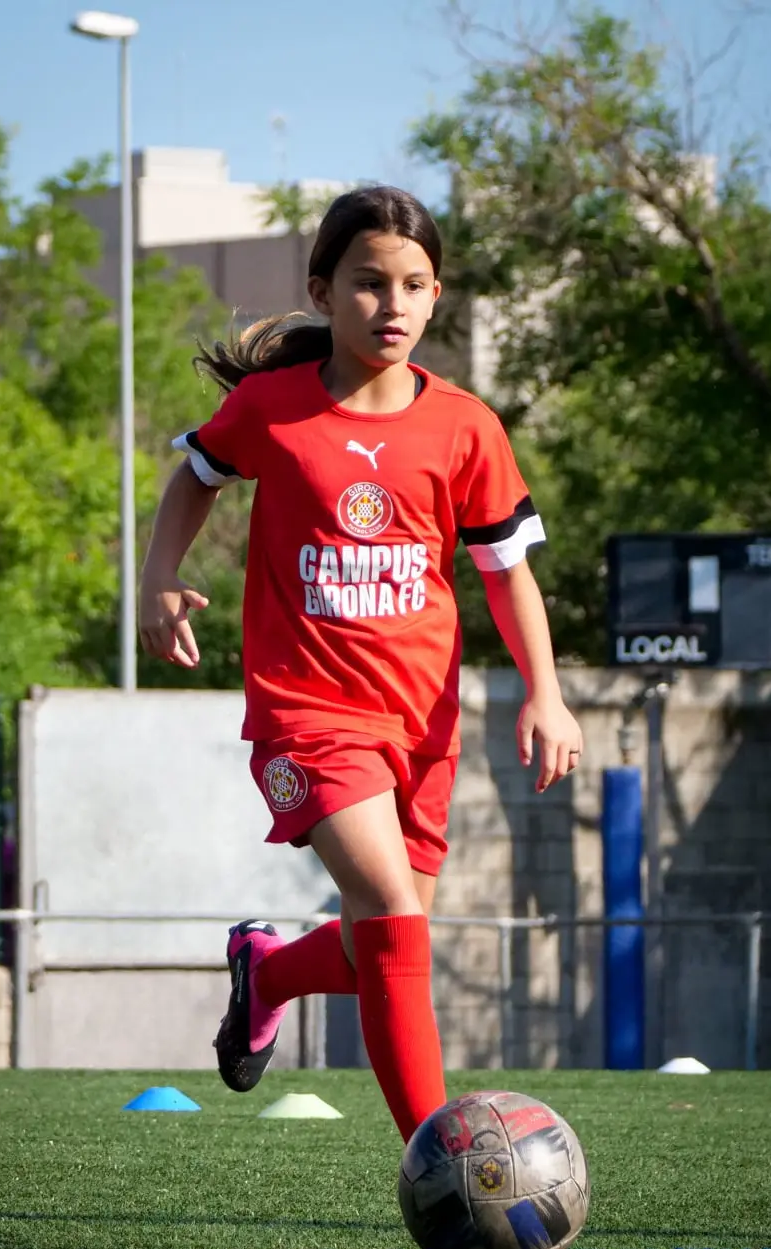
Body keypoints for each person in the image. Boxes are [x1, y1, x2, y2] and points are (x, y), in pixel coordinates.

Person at [138, 185, 583, 1143]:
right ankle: (448, 1157)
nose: (393, 304)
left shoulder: (466, 426)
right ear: (323, 291)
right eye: (369, 282)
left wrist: (545, 692)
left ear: (436, 298)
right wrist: (157, 577)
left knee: (383, 939)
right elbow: (196, 476)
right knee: (387, 911)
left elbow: (507, 575)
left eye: (414, 285)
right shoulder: (273, 407)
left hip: (422, 726)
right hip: (306, 714)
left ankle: (269, 969)